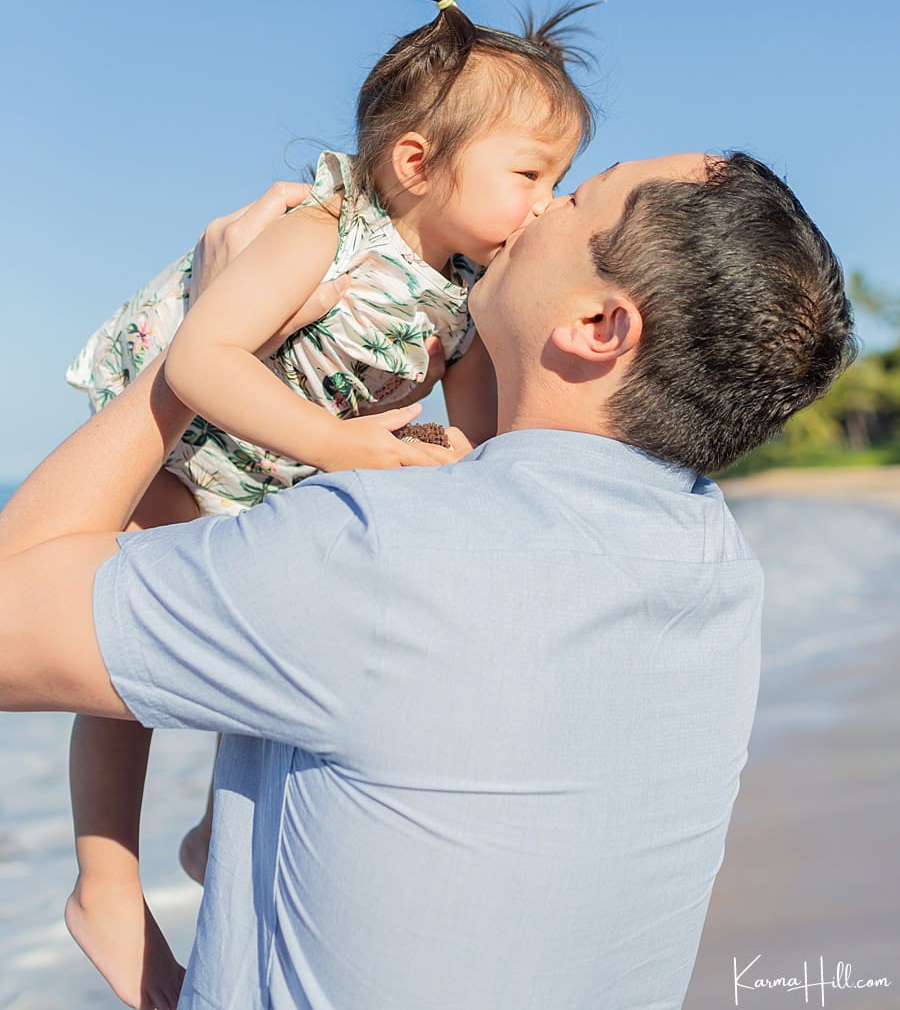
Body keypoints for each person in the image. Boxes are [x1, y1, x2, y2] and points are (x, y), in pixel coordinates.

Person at [0, 148, 854, 1010]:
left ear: (600, 325)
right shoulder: (719, 572)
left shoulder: (382, 556)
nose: (539, 209)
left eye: (577, 201)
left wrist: (204, 336)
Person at [59, 0, 596, 1005]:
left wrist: (457, 455)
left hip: (281, 478)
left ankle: (223, 832)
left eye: (562, 179)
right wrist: (350, 448)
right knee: (120, 659)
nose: (547, 205)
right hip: (186, 446)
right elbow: (203, 361)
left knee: (279, 630)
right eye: (529, 175)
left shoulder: (466, 293)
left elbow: (479, 438)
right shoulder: (325, 234)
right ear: (415, 161)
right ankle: (103, 880)